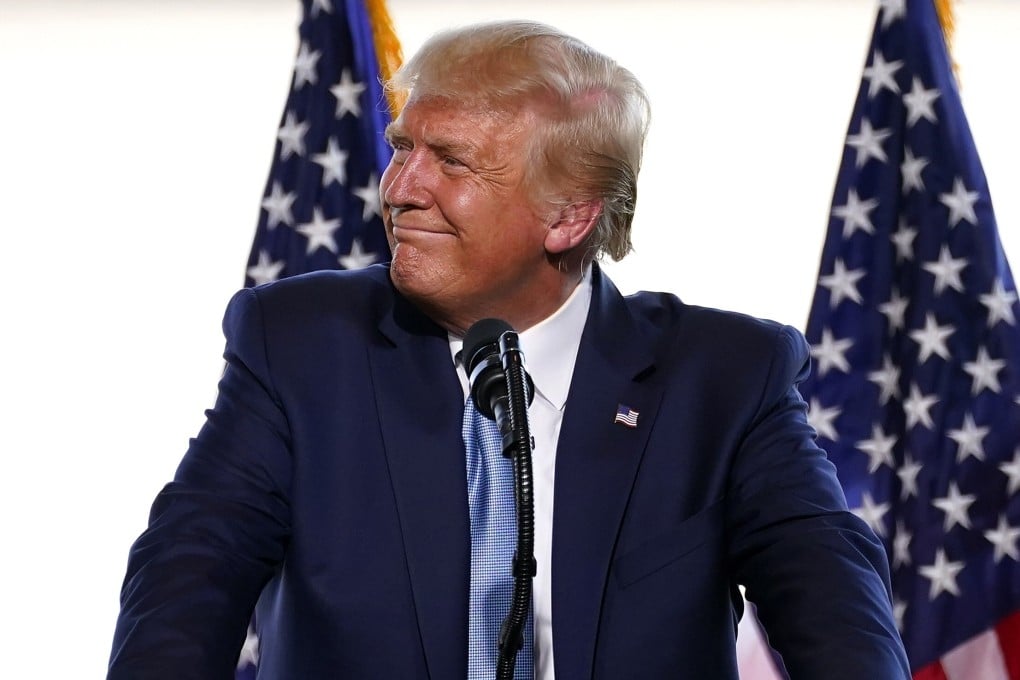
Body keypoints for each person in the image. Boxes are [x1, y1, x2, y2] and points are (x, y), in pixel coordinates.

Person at [109, 20, 910, 679]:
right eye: (402, 146)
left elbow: (831, 599)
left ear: (568, 217)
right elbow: (190, 570)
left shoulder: (725, 379)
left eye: (450, 160)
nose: (399, 187)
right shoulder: (300, 343)